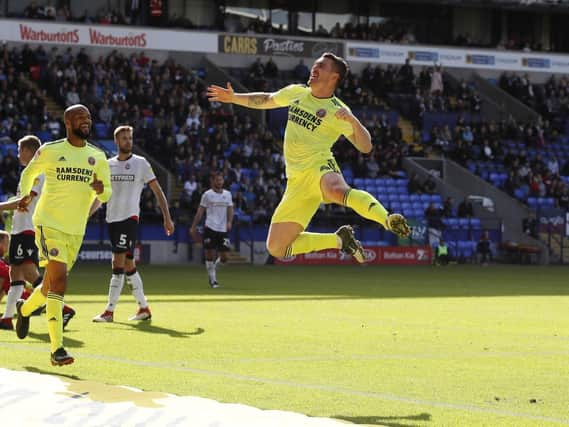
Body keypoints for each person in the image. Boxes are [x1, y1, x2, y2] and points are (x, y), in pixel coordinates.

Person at [207, 53, 410, 263]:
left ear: (334, 77)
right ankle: (340, 240)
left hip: (320, 165)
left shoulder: (338, 111)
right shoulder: (297, 92)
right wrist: (233, 98)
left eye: (321, 66)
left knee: (337, 191)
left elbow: (366, 147)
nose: (314, 69)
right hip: (296, 181)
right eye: (315, 65)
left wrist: (353, 121)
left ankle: (387, 219)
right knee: (277, 247)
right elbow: (266, 99)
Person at [15, 104, 112, 366]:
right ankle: (57, 349)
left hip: (76, 230)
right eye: (80, 117)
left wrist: (101, 189)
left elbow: (106, 195)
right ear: (68, 122)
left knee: (49, 286)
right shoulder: (51, 150)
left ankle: (23, 310)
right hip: (49, 225)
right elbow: (28, 173)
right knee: (59, 282)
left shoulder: (97, 156)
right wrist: (24, 195)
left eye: (89, 118)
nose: (86, 121)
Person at [92, 125, 174, 323]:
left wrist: (167, 216)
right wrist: (86, 215)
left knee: (117, 262)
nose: (128, 141)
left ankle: (109, 311)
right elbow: (101, 196)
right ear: (116, 142)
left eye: (130, 137)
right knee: (128, 264)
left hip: (129, 219)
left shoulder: (141, 164)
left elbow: (157, 191)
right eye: (124, 138)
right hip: (112, 219)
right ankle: (143, 308)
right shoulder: (108, 165)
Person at [0, 136, 76, 330]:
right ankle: (7, 318)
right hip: (20, 229)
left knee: (28, 273)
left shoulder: (38, 172)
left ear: (29, 151)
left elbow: (23, 201)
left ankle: (63, 308)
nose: (18, 154)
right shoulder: (30, 172)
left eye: (20, 150)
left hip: (28, 229)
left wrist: (1, 206)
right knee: (15, 273)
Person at [190, 171, 233, 288]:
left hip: (223, 229)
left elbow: (230, 209)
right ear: (212, 181)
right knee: (209, 254)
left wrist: (229, 221)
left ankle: (212, 270)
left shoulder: (228, 194)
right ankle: (213, 280)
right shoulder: (207, 195)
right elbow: (200, 212)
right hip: (210, 227)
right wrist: (193, 226)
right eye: (217, 180)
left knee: (225, 257)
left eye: (221, 180)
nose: (219, 182)